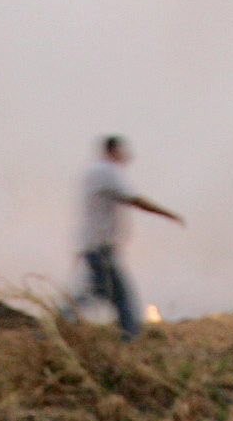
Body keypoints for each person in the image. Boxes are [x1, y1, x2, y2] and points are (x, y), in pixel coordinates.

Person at [76, 136, 182, 340]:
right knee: (122, 298)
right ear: (113, 151)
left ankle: (57, 324)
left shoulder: (92, 172)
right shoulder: (107, 172)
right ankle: (130, 338)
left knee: (95, 293)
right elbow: (135, 199)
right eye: (122, 152)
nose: (126, 157)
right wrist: (167, 214)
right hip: (101, 248)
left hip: (94, 246)